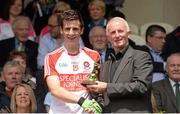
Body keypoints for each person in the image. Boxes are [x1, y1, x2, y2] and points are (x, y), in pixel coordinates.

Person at [87, 17, 153, 113]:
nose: (117, 35)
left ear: (128, 34)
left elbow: (141, 86)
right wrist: (96, 103)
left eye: (120, 31)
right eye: (113, 32)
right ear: (108, 37)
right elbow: (103, 98)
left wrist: (107, 87)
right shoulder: (105, 65)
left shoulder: (141, 56)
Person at [44, 9, 102, 113]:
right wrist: (81, 101)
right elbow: (55, 90)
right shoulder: (51, 57)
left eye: (75, 29)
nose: (71, 33)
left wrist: (96, 104)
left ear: (82, 30)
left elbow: (94, 87)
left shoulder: (94, 56)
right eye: (67, 29)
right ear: (61, 30)